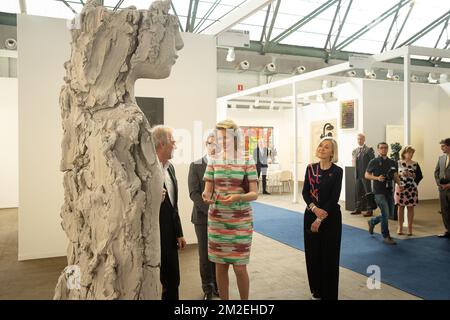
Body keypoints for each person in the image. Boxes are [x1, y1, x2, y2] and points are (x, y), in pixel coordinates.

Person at [202, 120, 258, 300]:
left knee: (240, 268)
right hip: (217, 219)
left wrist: (238, 197)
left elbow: (254, 194)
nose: (222, 141)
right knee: (220, 266)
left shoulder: (247, 159)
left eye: (226, 137)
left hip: (240, 219)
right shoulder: (213, 159)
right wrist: (206, 197)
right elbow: (207, 191)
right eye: (219, 137)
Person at [302, 138, 343, 300]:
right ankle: (316, 291)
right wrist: (314, 209)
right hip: (310, 215)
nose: (322, 149)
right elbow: (305, 192)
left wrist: (319, 219)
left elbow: (334, 198)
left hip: (330, 218)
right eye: (321, 145)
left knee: (329, 257)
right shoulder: (310, 169)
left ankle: (329, 294)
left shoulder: (338, 171)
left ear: (332, 152)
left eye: (327, 147)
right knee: (313, 255)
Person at [152, 125, 186, 300]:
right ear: (162, 144)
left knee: (173, 280)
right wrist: (153, 197)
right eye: (172, 141)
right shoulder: (147, 172)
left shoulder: (170, 168)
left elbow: (174, 205)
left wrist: (178, 233)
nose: (175, 145)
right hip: (152, 237)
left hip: (170, 236)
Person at [188, 133, 219, 300]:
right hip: (202, 218)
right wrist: (210, 211)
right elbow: (194, 193)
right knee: (205, 255)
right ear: (205, 145)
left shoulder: (223, 166)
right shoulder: (196, 165)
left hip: (220, 218)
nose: (213, 147)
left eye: (217, 144)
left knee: (217, 254)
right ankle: (207, 287)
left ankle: (217, 285)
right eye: (210, 144)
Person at [365, 142, 402, 245]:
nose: (384, 149)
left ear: (387, 149)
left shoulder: (392, 162)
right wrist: (377, 178)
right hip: (378, 191)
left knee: (389, 214)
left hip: (389, 191)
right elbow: (367, 175)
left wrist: (400, 184)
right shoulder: (374, 161)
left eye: (385, 148)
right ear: (378, 150)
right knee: (385, 213)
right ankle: (386, 236)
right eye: (381, 148)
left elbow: (395, 175)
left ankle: (372, 221)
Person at [395, 146, 423, 236]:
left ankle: (410, 228)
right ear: (404, 153)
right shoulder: (398, 163)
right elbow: (393, 174)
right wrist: (401, 173)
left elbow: (420, 176)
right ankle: (400, 227)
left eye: (412, 153)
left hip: (411, 188)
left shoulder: (415, 164)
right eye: (408, 152)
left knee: (411, 207)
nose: (410, 154)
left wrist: (412, 175)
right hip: (400, 188)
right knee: (400, 207)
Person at [351, 133, 375, 217]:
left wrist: (370, 172)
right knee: (358, 192)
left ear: (364, 140)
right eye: (358, 139)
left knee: (367, 192)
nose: (359, 140)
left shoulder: (369, 150)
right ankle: (358, 208)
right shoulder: (355, 150)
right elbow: (353, 161)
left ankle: (370, 210)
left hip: (365, 175)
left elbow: (373, 162)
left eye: (361, 139)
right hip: (357, 175)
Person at [435, 138, 450, 238]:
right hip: (442, 189)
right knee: (444, 210)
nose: (441, 148)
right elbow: (436, 172)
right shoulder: (441, 158)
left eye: (443, 146)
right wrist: (438, 184)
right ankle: (448, 230)